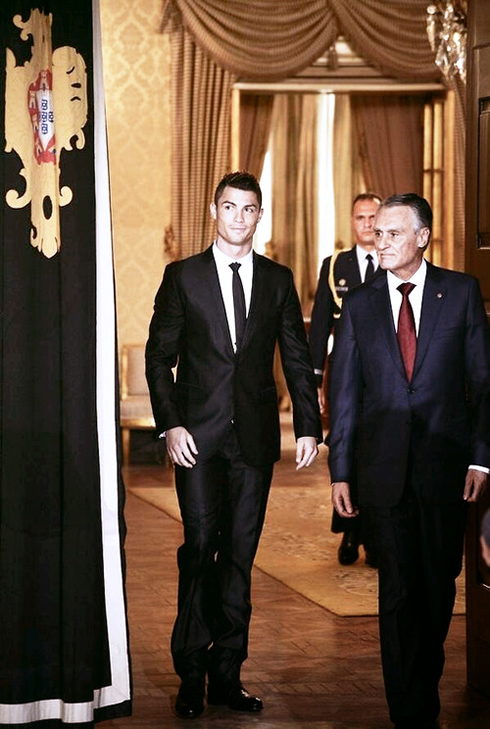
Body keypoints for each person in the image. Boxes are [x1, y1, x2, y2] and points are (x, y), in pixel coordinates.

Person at [146, 171, 322, 719]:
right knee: (200, 548)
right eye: (230, 207)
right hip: (195, 440)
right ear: (214, 211)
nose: (239, 217)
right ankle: (191, 673)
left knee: (240, 558)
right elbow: (159, 358)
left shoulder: (276, 279)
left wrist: (311, 425)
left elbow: (296, 355)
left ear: (258, 216)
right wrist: (171, 425)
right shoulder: (183, 277)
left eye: (249, 209)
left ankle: (227, 675)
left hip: (253, 442)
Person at [327, 193, 490, 729]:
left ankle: (422, 681)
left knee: (439, 585)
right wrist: (341, 472)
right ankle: (412, 712)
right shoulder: (361, 304)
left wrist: (481, 460)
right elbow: (345, 394)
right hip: (382, 473)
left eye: (393, 232)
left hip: (447, 470)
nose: (382, 240)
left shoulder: (461, 293)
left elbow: (484, 384)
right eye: (378, 233)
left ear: (423, 237)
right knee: (397, 590)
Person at [309, 192, 381, 567]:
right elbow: (320, 324)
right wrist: (315, 383)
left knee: (380, 450)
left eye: (373, 217)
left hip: (386, 374)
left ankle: (375, 534)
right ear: (352, 222)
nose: (367, 224)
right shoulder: (336, 264)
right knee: (346, 448)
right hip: (345, 371)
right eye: (361, 218)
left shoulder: (396, 259)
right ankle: (351, 530)